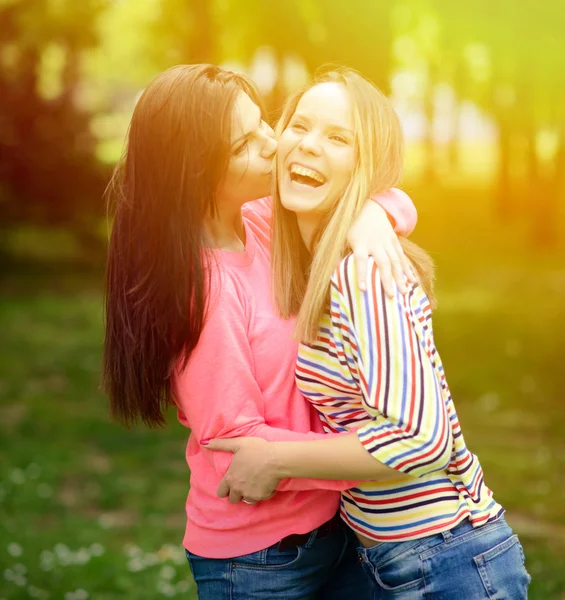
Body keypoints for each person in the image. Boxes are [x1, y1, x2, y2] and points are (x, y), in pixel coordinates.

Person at [205, 68, 532, 599]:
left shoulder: (363, 271)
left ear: (366, 165)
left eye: (338, 138)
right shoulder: (309, 257)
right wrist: (374, 210)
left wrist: (274, 457)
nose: (309, 146)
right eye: (300, 126)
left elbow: (422, 438)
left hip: (447, 557)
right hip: (385, 557)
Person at [102, 64, 419, 599]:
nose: (274, 144)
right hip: (258, 559)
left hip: (329, 526)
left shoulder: (258, 218)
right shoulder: (203, 293)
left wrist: (370, 216)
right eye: (246, 144)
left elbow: (386, 198)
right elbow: (238, 445)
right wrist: (364, 457)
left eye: (263, 123)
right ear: (197, 172)